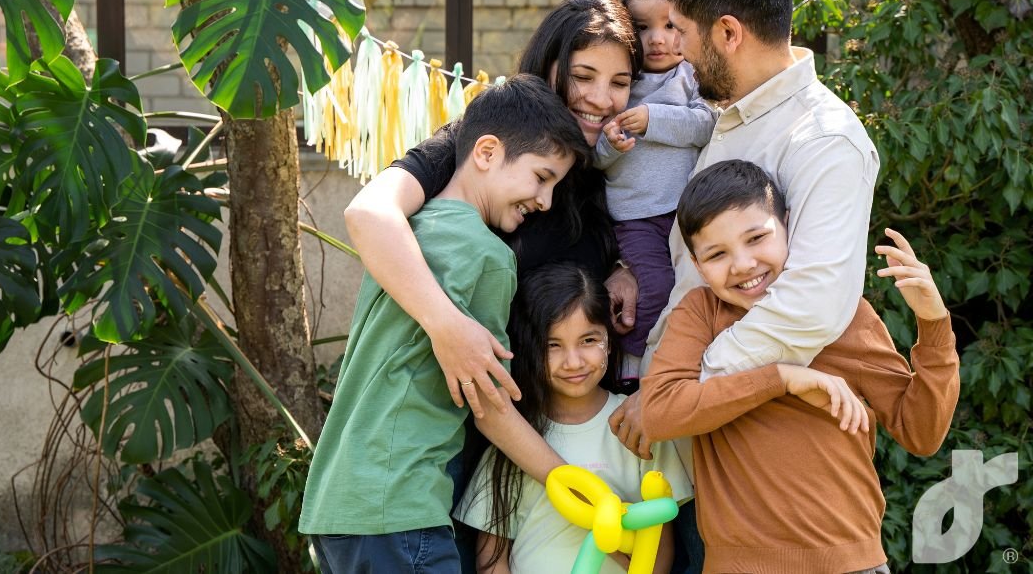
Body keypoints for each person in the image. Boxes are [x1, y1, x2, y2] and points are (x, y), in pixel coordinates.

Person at [608, 0, 880, 490]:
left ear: (727, 32)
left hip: (762, 464)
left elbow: (811, 304)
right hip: (688, 442)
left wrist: (675, 388)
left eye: (681, 31)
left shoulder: (824, 140)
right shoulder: (732, 118)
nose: (674, 49)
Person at [299, 74, 591, 573]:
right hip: (401, 505)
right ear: (486, 152)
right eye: (542, 178)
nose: (545, 201)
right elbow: (490, 406)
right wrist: (568, 480)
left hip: (337, 505)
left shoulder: (406, 234)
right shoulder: (489, 257)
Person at [641, 159, 960, 573]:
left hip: (851, 562)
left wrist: (934, 325)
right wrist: (781, 378)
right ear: (698, 266)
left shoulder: (841, 312)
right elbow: (660, 412)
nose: (742, 264)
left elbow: (921, 432)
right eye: (717, 254)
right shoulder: (701, 313)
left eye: (757, 238)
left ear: (788, 226)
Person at [454, 263, 692, 574]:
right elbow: (492, 558)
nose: (573, 361)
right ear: (529, 347)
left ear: (609, 338)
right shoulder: (515, 438)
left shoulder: (636, 423)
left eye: (588, 341)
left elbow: (660, 541)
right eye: (553, 345)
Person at [597, 0, 717, 385]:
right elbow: (596, 159)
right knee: (653, 287)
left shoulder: (692, 77)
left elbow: (707, 124)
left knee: (692, 292)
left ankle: (676, 371)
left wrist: (653, 119)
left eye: (669, 26)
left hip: (685, 213)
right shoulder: (620, 81)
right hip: (635, 218)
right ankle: (636, 372)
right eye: (643, 27)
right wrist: (611, 144)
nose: (657, 39)